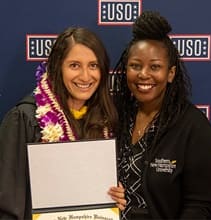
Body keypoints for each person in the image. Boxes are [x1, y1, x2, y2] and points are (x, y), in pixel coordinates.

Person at [0, 27, 126, 219]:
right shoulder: (25, 119)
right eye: (74, 65)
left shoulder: (106, 120)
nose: (85, 76)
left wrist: (114, 199)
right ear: (57, 67)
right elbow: (8, 205)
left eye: (93, 65)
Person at [112, 10, 211, 219]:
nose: (143, 74)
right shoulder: (116, 116)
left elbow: (201, 204)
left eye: (155, 67)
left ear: (170, 73)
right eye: (135, 65)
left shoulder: (192, 125)